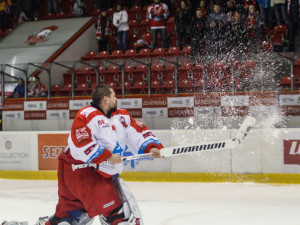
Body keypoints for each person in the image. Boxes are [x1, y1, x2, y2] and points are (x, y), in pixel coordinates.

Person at [41, 84, 163, 225]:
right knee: (117, 214)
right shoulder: (86, 115)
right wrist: (107, 156)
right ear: (105, 99)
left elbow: (137, 132)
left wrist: (151, 147)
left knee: (70, 216)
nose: (116, 98)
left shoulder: (122, 116)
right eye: (113, 96)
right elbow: (81, 143)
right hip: (82, 172)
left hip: (92, 173)